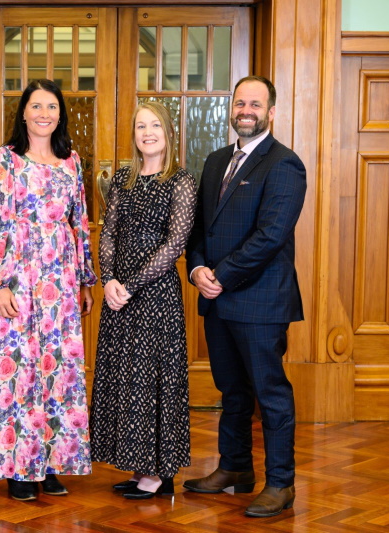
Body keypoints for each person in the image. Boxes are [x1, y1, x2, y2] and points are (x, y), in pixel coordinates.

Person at [184, 75, 307, 518]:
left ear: (271, 111)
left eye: (255, 103)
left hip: (259, 301)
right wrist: (198, 268)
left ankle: (281, 483)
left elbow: (271, 235)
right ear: (231, 109)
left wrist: (221, 275)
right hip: (216, 298)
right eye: (240, 102)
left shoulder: (284, 164)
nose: (246, 110)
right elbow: (201, 228)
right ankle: (235, 468)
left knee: (269, 393)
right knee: (231, 391)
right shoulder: (216, 161)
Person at [0, 79, 97, 502]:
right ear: (23, 113)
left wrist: (85, 278)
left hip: (61, 283)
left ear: (59, 113)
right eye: (36, 106)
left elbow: (79, 221)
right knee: (19, 370)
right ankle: (17, 467)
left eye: (51, 106)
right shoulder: (4, 160)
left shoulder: (71, 161)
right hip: (17, 279)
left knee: (57, 370)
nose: (44, 113)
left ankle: (48, 462)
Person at [89, 101, 196, 500]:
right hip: (119, 296)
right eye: (140, 126)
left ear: (168, 132)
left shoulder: (181, 181)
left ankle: (159, 472)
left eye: (154, 125)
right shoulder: (123, 178)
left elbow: (175, 244)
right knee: (126, 379)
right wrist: (109, 279)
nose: (147, 132)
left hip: (155, 296)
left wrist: (131, 285)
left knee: (152, 379)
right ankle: (138, 466)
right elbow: (109, 231)